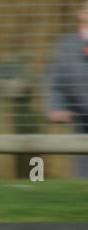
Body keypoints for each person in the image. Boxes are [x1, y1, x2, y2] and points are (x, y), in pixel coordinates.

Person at [46, 0, 88, 177]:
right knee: (82, 174)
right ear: (80, 13)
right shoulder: (66, 44)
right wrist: (57, 107)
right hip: (81, 120)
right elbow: (56, 80)